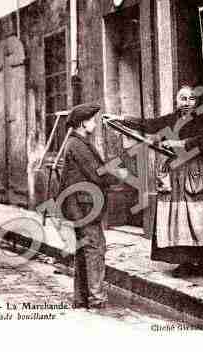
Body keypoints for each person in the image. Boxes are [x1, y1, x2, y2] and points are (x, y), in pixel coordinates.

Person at [109, 85, 203, 275]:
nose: (186, 103)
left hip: (195, 173)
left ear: (197, 102)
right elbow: (148, 124)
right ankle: (184, 261)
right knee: (177, 218)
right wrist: (121, 119)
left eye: (191, 99)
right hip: (174, 173)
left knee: (198, 215)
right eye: (182, 98)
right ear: (176, 100)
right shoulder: (171, 120)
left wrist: (181, 143)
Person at [59, 102, 128, 309]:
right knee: (95, 248)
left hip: (80, 204)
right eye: (92, 120)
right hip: (84, 206)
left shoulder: (77, 142)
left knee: (84, 250)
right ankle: (96, 299)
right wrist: (119, 175)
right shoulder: (78, 145)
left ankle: (81, 298)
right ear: (82, 123)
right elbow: (97, 173)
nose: (95, 124)